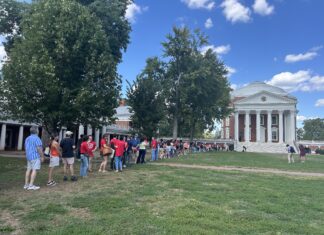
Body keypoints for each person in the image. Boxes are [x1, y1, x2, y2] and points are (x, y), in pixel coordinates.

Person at [24, 126, 45, 190]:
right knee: (34, 170)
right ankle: (31, 185)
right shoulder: (37, 138)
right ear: (37, 131)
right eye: (38, 130)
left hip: (28, 156)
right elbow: (39, 148)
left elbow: (25, 147)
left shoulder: (27, 138)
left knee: (28, 169)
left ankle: (26, 185)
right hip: (35, 156)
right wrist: (42, 156)